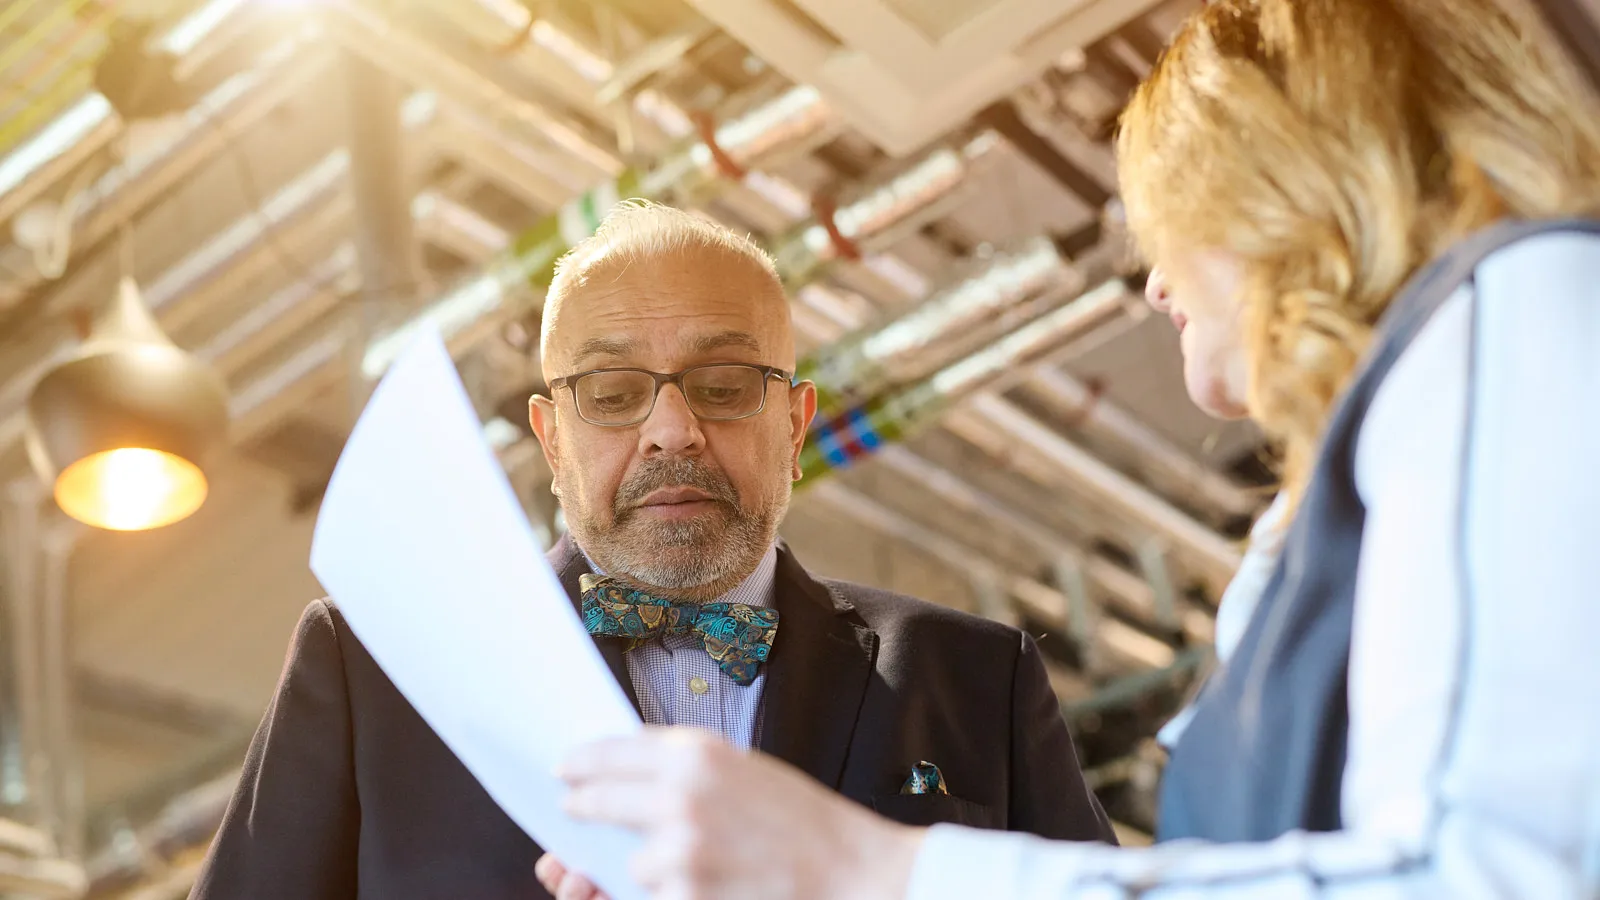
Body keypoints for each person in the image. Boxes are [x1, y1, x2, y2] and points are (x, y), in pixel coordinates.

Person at [551, 0, 1600, 897]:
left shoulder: (1520, 304)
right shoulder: (1303, 542)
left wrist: (868, 869)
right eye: (610, 391)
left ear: (1285, 185)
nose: (1152, 283)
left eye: (1165, 221)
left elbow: (1492, 875)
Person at [189, 201, 1114, 900]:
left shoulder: (979, 679)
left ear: (794, 425)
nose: (672, 429)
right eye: (613, 390)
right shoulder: (378, 667)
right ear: (551, 442)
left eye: (721, 383)